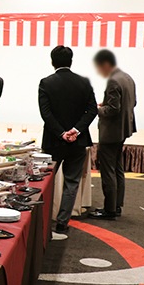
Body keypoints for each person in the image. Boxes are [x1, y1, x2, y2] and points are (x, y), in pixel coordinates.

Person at [38, 45, 98, 234]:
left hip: (53, 142)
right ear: (71, 61)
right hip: (78, 142)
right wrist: (76, 130)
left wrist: (61, 133)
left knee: (45, 183)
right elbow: (92, 110)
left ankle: (42, 222)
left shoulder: (46, 83)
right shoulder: (84, 83)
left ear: (52, 61)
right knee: (71, 183)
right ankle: (62, 222)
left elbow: (46, 114)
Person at [89, 49, 137, 220]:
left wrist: (96, 109)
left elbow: (112, 109)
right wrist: (107, 104)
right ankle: (116, 205)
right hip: (123, 130)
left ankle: (109, 209)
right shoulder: (127, 78)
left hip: (111, 132)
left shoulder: (113, 81)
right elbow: (132, 102)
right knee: (118, 169)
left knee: (108, 171)